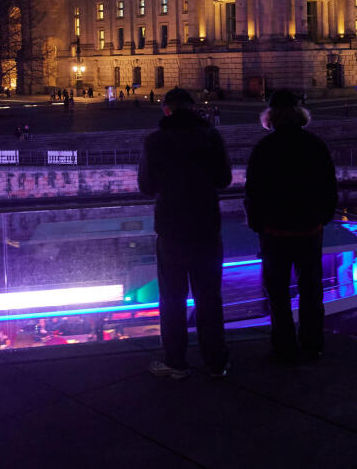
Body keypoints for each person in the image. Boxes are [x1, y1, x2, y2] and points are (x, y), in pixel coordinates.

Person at [138, 88, 232, 379]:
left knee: (172, 298)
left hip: (171, 229)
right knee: (209, 298)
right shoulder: (211, 137)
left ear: (167, 110)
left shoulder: (155, 141)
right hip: (205, 226)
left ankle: (176, 362)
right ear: (194, 109)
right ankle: (216, 363)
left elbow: (146, 186)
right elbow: (224, 179)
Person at [245, 90, 337, 365]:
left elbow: (253, 191)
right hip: (309, 229)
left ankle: (284, 346)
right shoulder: (315, 144)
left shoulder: (264, 147)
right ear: (300, 114)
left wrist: (257, 223)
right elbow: (329, 186)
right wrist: (323, 218)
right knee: (311, 291)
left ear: (270, 116)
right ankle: (313, 345)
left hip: (274, 232)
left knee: (278, 293)